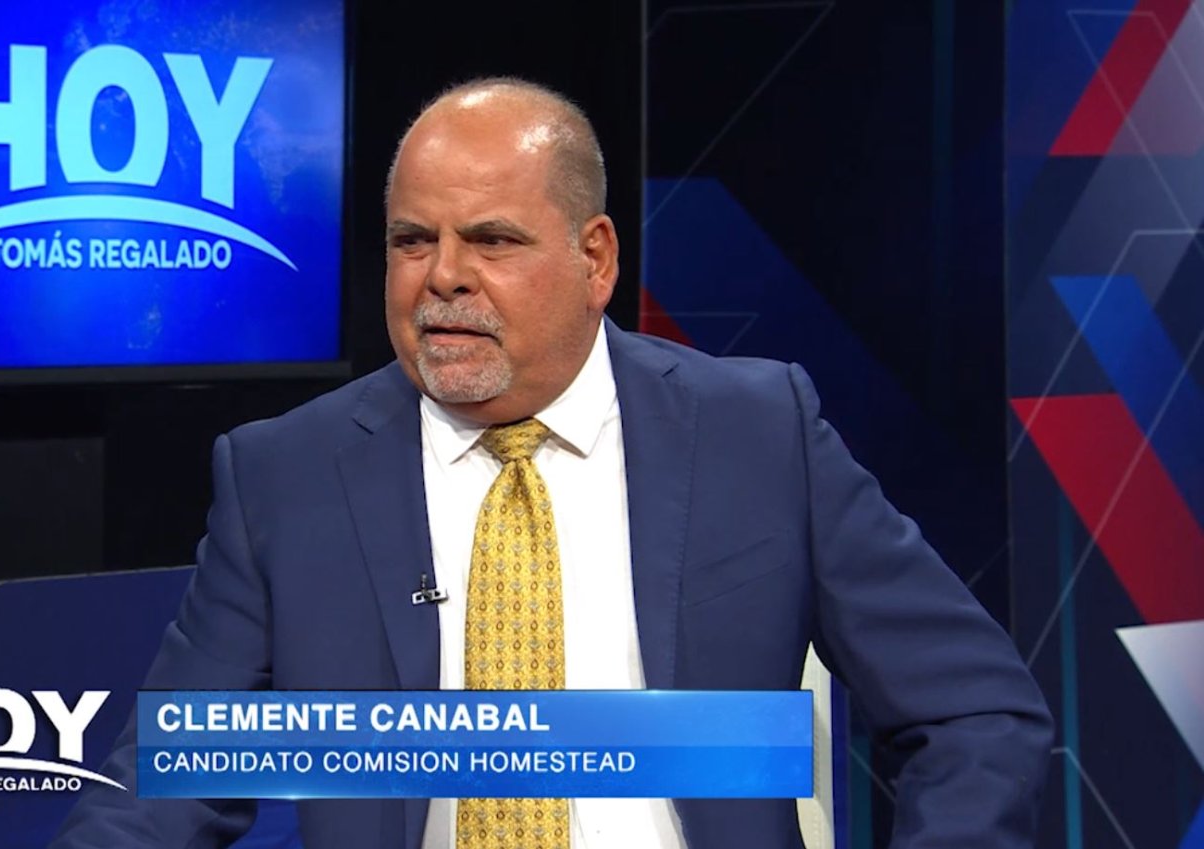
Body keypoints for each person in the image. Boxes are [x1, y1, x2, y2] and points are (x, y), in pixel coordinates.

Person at [53, 78, 1052, 849]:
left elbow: (976, 711)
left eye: (492, 240)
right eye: (412, 240)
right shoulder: (285, 473)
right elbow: (163, 787)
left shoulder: (756, 433)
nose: (444, 276)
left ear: (596, 258)